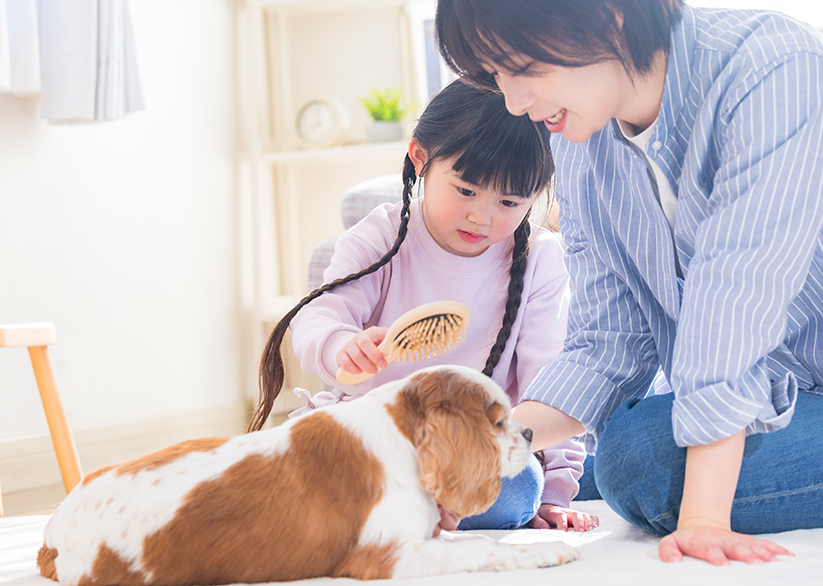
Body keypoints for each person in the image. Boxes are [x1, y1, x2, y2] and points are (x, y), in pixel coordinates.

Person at [436, 0, 823, 565]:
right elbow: (606, 346)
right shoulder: (580, 139)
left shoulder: (776, 71)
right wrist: (477, 448)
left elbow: (735, 304)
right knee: (559, 469)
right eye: (498, 75)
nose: (515, 102)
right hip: (792, 396)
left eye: (524, 68)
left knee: (635, 459)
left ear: (608, 15)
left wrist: (702, 520)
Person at [248, 79, 597, 533]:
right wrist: (341, 346)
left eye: (510, 201)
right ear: (420, 158)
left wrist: (552, 494)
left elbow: (548, 383)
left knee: (517, 489)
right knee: (288, 470)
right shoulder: (381, 236)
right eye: (467, 190)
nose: (483, 216)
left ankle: (387, 510)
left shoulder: (540, 260)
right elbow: (319, 316)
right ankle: (398, 506)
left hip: (472, 452)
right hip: (376, 436)